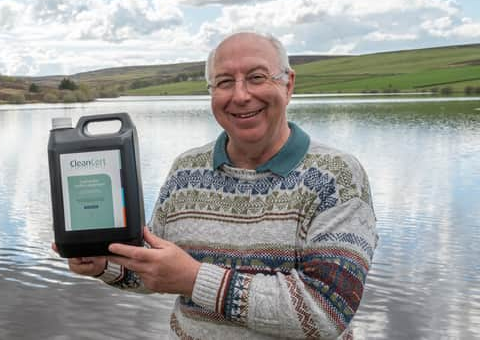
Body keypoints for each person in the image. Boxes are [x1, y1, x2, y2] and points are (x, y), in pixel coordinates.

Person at [55, 31, 378, 339]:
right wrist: (103, 264)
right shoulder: (186, 170)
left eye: (256, 77)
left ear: (288, 84)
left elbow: (327, 312)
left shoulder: (336, 175)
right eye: (224, 82)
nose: (240, 95)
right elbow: (157, 269)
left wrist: (195, 279)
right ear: (211, 92)